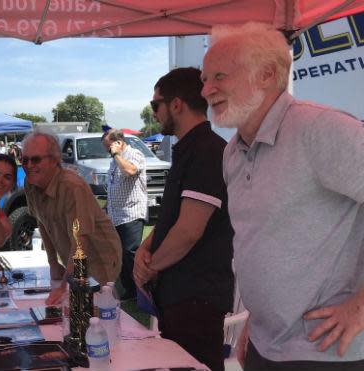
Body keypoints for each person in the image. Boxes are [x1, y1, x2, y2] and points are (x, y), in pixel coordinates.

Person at [201, 22, 364, 371]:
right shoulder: (233, 152)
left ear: (267, 75)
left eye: (219, 76)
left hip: (325, 352)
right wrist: (254, 322)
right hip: (266, 343)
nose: (206, 90)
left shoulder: (320, 130)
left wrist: (360, 307)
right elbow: (255, 242)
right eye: (204, 79)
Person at [133, 67, 234, 371]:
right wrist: (145, 247)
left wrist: (150, 267)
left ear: (176, 104)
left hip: (196, 296)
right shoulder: (189, 148)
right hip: (180, 295)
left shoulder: (207, 151)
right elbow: (170, 217)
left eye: (156, 105)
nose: (154, 113)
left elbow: (189, 230)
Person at [22, 131, 122, 305]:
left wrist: (63, 287)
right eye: (25, 160)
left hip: (100, 256)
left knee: (97, 314)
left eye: (36, 159)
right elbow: (42, 221)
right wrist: (52, 262)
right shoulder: (31, 183)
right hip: (73, 258)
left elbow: (80, 245)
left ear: (54, 159)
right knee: (71, 313)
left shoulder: (73, 187)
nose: (29, 165)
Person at [101, 128, 147, 301]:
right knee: (118, 254)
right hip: (116, 215)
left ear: (118, 142)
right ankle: (130, 291)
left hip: (131, 213)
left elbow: (129, 171)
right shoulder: (114, 160)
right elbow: (113, 186)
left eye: (108, 147)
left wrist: (116, 155)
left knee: (130, 253)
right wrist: (106, 208)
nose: (107, 151)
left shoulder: (134, 154)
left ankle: (142, 292)